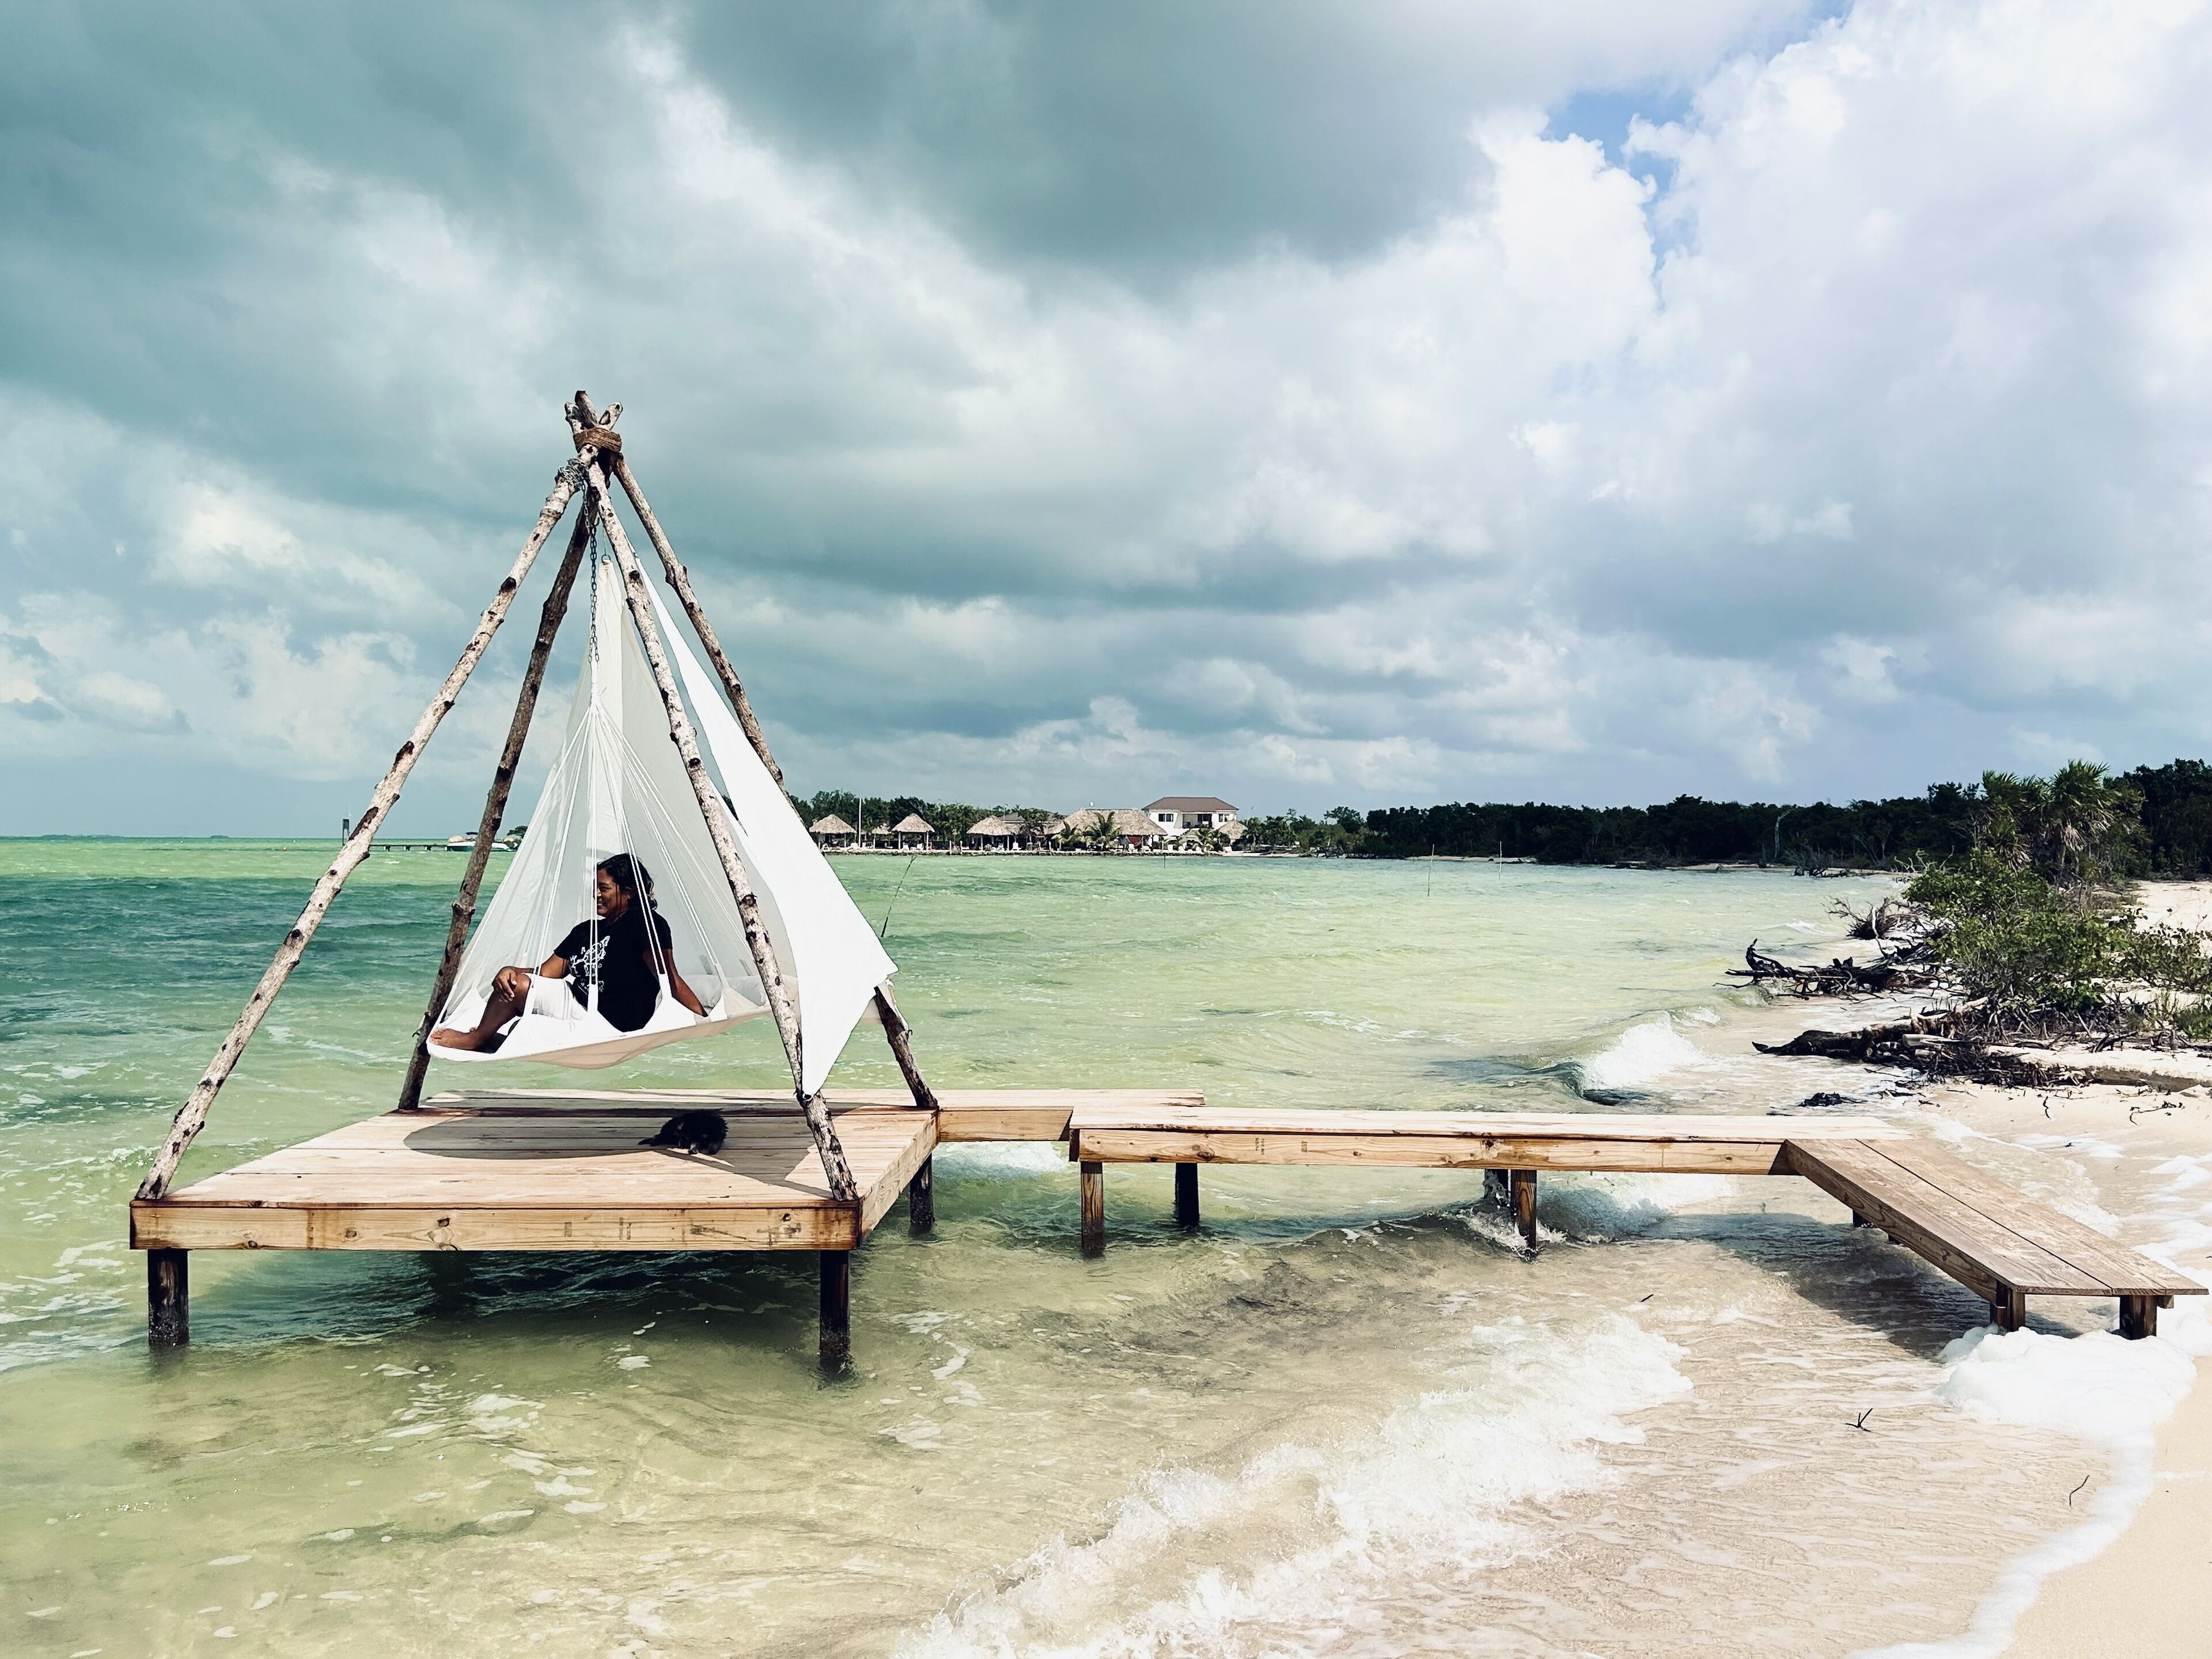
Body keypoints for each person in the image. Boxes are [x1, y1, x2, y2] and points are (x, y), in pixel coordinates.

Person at [430, 854, 706, 1051]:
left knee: (521, 1032)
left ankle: (495, 1038)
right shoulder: (586, 931)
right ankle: (479, 1037)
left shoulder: (643, 923)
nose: (596, 894)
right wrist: (510, 971)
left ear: (629, 892)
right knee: (516, 985)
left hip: (609, 1021)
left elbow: (668, 978)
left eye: (604, 888)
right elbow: (545, 974)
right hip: (576, 1000)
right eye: (595, 887)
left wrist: (704, 1018)